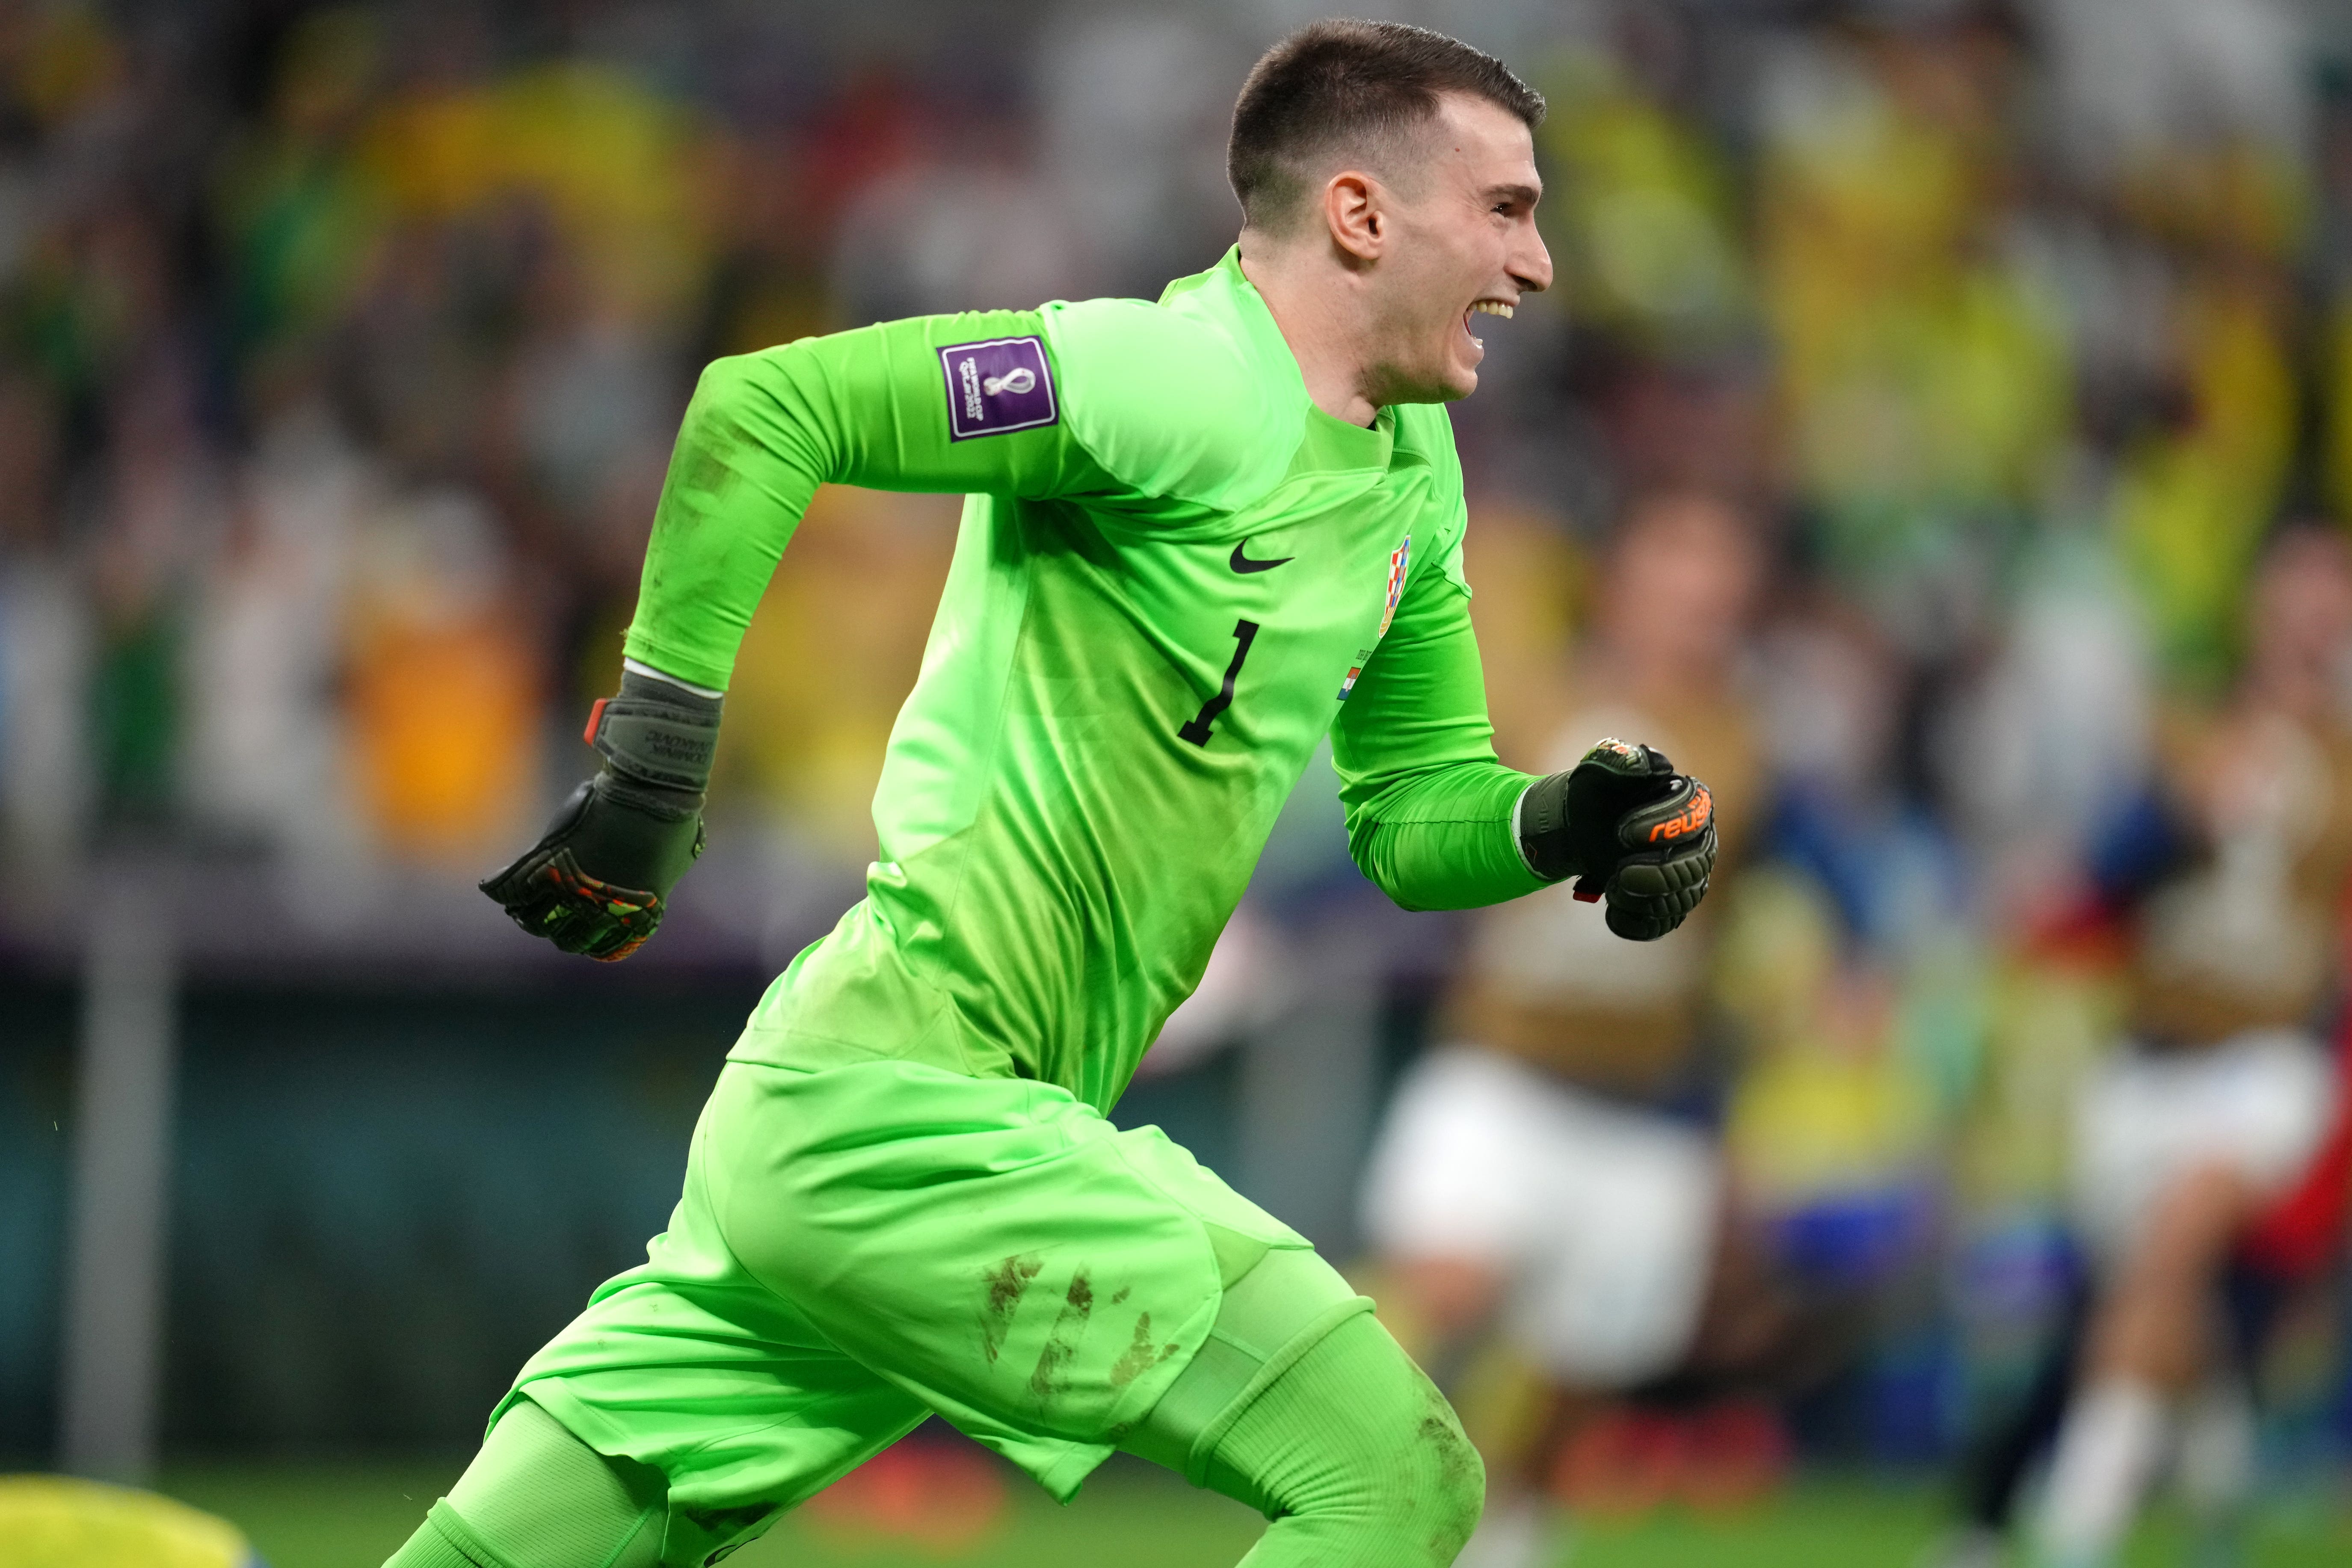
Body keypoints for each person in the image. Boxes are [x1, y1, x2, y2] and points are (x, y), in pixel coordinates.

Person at [379, 22, 1719, 1568]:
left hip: (887, 1120)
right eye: (1504, 209)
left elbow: (1408, 811)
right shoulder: (1159, 377)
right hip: (907, 1102)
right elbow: (767, 411)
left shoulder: (1411, 468)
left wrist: (1564, 821)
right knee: (1392, 1477)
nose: (1537, 263)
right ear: (1361, 213)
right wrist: (655, 755)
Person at [1361, 490, 1798, 1564]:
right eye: (1675, 588)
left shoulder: (1747, 754)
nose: (1694, 617)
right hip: (1504, 1068)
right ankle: (1338, 1486)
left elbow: (1744, 927)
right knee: (1443, 1288)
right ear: (1620, 587)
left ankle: (1509, 1536)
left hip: (1645, 1109)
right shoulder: (1526, 700)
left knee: (1581, 1374)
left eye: (1716, 600)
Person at [2013, 525, 2352, 1568]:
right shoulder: (2188, 731)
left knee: (2175, 1242)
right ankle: (2219, 1465)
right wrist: (2177, 807)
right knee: (2165, 1295)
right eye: (2293, 597)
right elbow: (2102, 882)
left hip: (2271, 1064)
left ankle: (2079, 1521)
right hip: (2149, 1056)